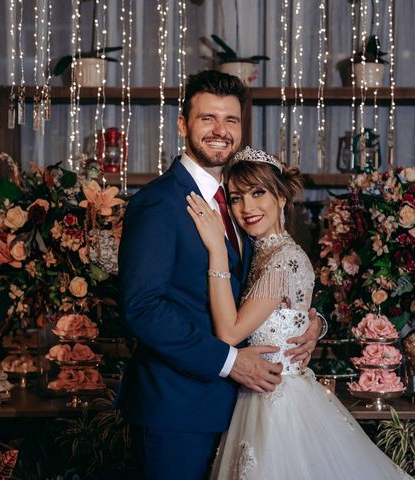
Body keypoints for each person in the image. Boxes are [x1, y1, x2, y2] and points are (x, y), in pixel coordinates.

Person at [117, 71, 322, 479]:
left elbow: (267, 282)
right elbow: (142, 308)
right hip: (178, 409)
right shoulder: (159, 203)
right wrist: (230, 363)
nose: (220, 131)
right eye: (207, 118)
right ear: (182, 125)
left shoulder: (240, 199)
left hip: (247, 410)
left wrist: (310, 322)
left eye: (231, 120)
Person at [186, 146, 412, 480]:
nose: (247, 207)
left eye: (258, 193)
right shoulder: (262, 251)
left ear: (281, 197)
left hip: (278, 403)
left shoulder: (282, 260)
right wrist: (315, 321)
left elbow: (230, 334)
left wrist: (217, 251)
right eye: (235, 198)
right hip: (259, 394)